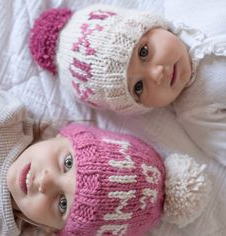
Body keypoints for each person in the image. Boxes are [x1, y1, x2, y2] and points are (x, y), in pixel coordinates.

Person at [0, 88, 210, 236]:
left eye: (62, 204)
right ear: (61, 137)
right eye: (67, 163)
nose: (45, 182)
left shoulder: (1, 228)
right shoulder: (6, 119)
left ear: (51, 228)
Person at [30, 4, 226, 166]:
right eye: (138, 87)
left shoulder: (188, 8)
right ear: (141, 106)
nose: (157, 73)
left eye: (143, 52)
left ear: (151, 26)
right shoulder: (195, 113)